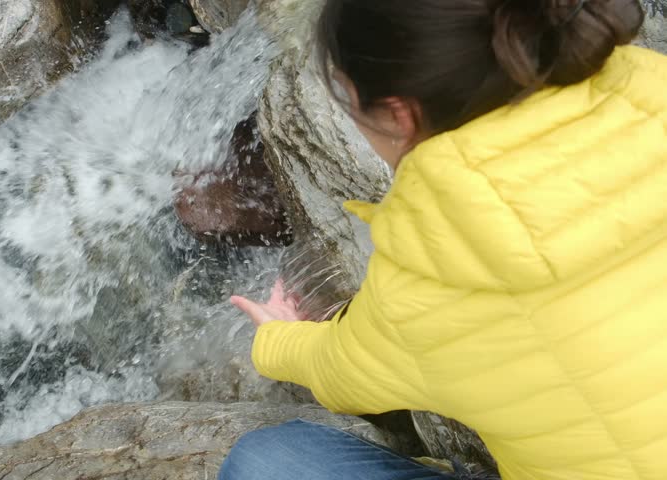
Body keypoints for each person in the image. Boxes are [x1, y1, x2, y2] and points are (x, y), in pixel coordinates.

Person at [221, 0, 667, 479]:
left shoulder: (441, 267)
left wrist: (274, 337)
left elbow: (339, 371)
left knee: (268, 464)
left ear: (398, 115)